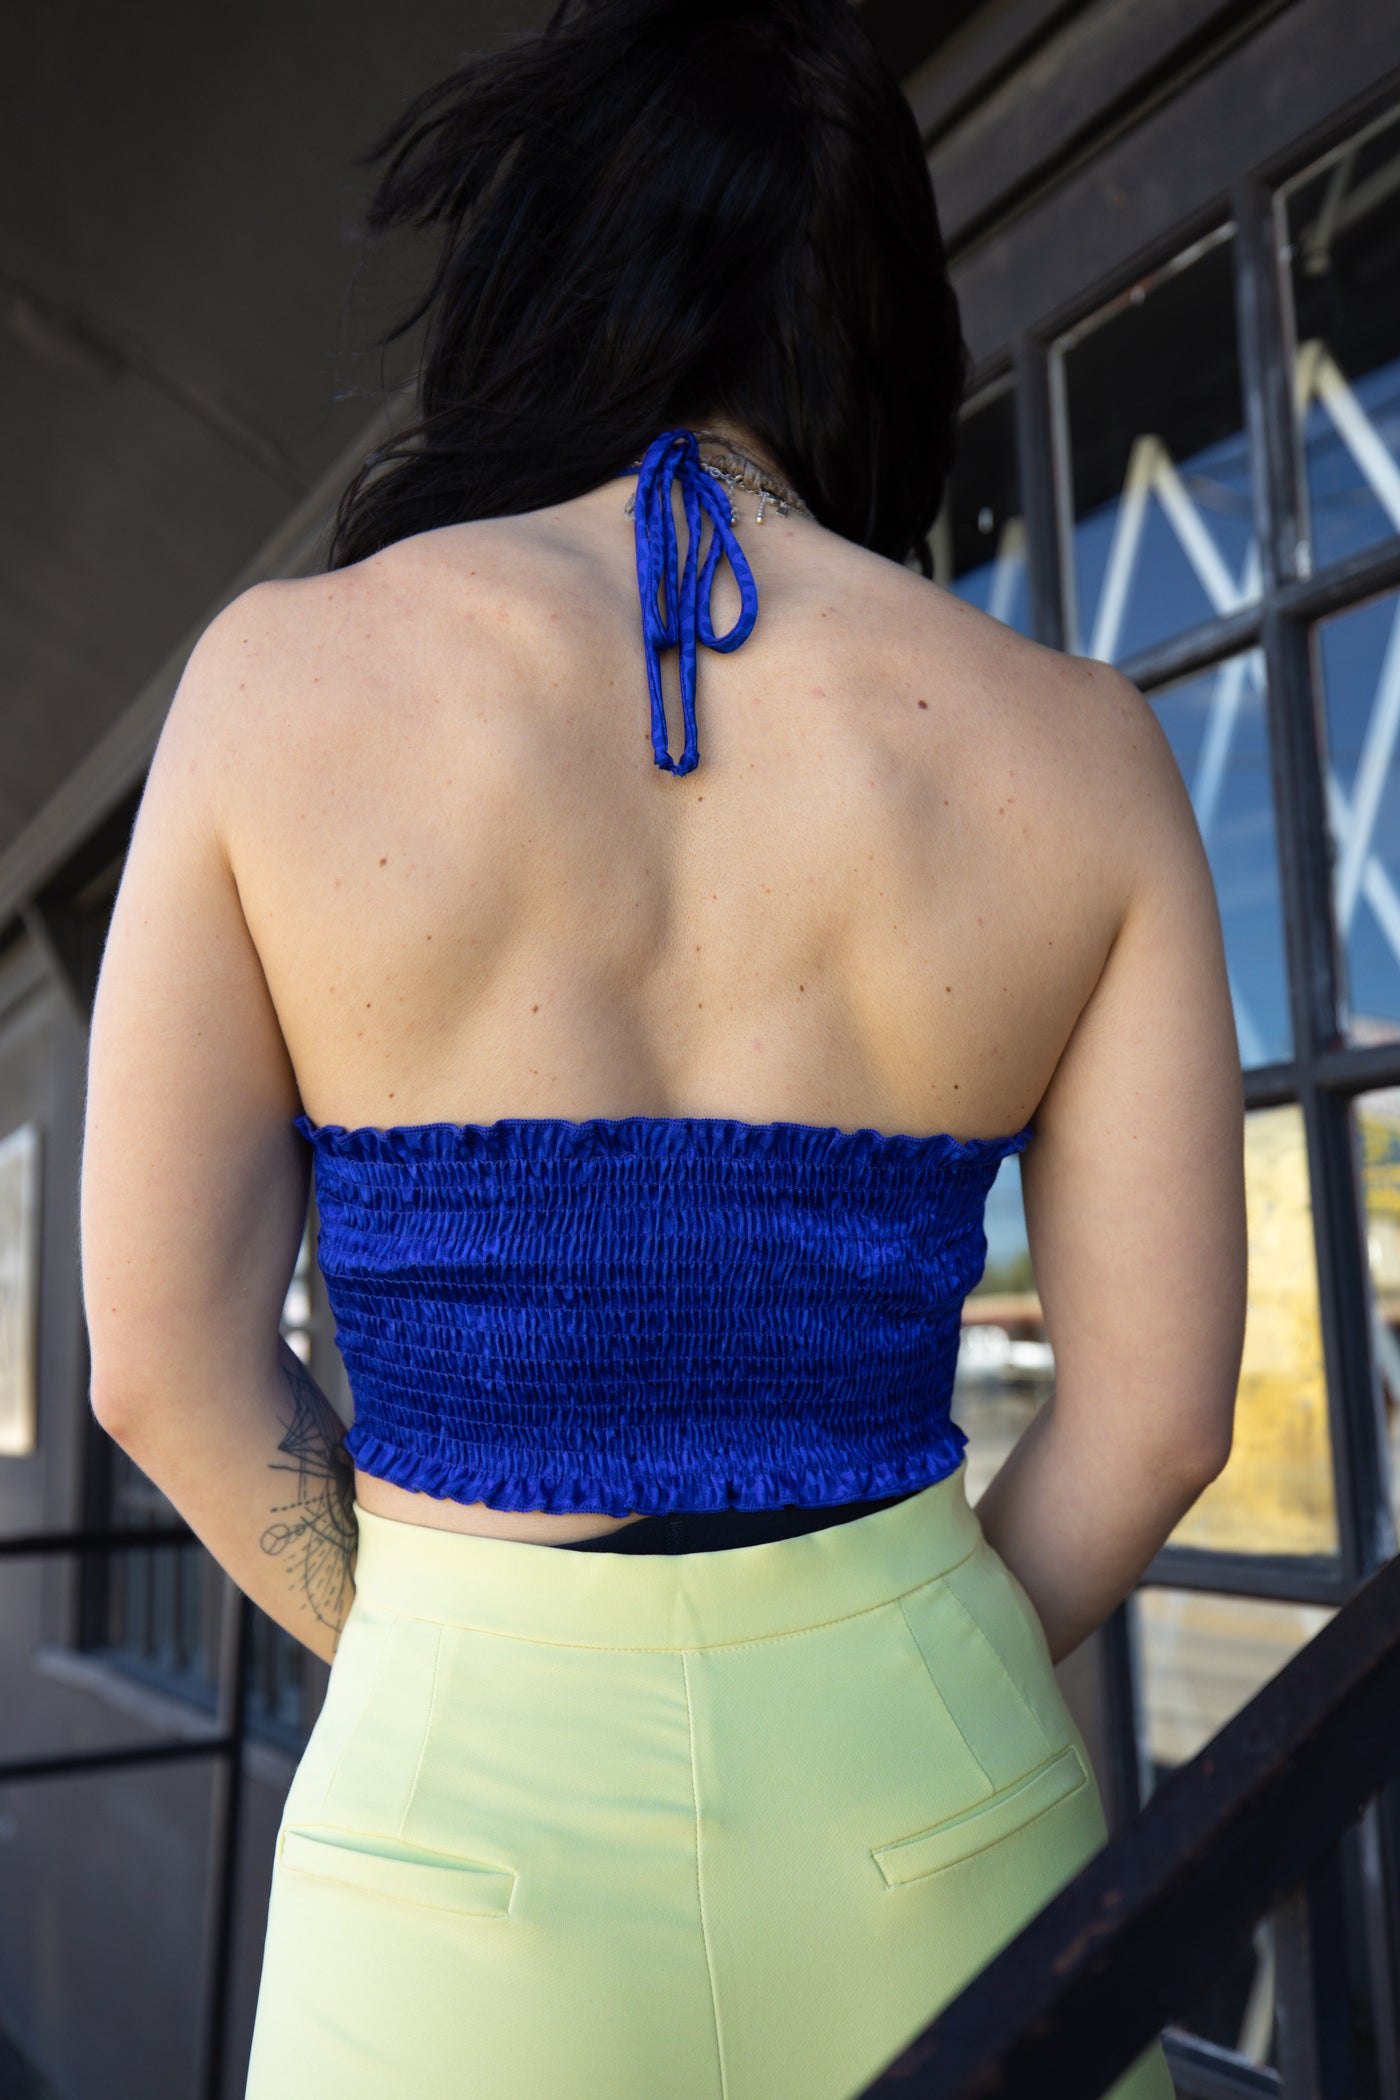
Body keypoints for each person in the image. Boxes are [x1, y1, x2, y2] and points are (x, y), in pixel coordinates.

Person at [78, 0, 1246, 2093]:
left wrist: (464, 1660)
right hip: (936, 1800)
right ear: (879, 334)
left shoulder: (278, 684)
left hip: (453, 1844)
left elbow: (158, 1364)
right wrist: (871, 1672)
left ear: (539, 281)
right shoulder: (1084, 753)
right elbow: (1156, 1422)